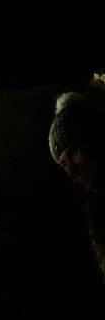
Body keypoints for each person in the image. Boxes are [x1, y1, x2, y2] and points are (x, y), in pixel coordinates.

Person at [48, 91, 105, 280]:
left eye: (72, 154)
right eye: (63, 164)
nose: (71, 170)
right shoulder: (91, 205)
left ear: (91, 142)